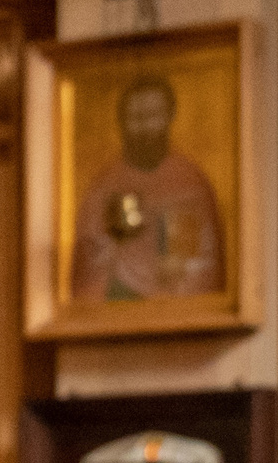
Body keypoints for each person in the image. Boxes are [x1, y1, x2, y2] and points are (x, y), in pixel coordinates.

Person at [68, 73, 225, 300]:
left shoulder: (188, 182)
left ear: (170, 116)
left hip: (176, 310)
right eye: (136, 117)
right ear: (122, 122)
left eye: (153, 115)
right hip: (118, 306)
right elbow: (88, 272)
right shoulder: (104, 186)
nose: (145, 127)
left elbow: (203, 270)